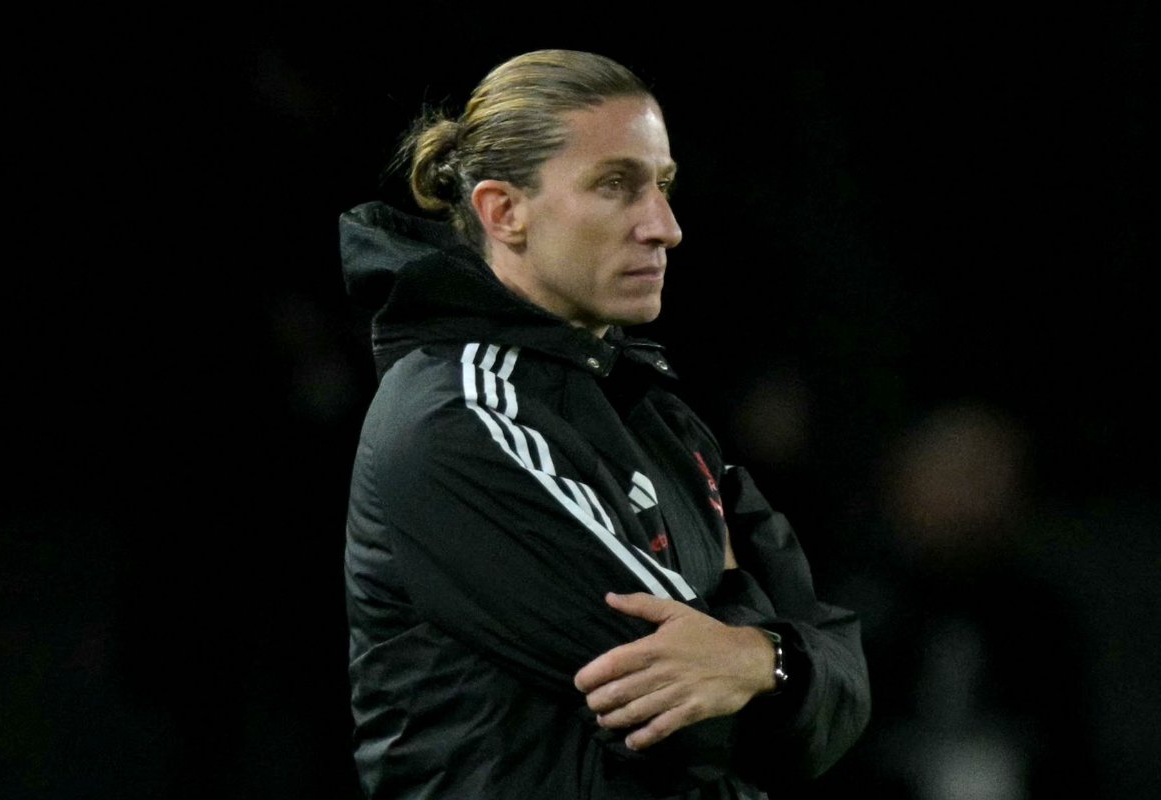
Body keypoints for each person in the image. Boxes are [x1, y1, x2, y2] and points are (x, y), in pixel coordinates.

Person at [341, 49, 870, 799]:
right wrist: (773, 651)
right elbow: (695, 720)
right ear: (504, 211)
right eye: (617, 185)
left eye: (662, 186)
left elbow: (840, 672)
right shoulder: (458, 419)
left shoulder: (654, 411)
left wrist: (761, 658)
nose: (665, 227)